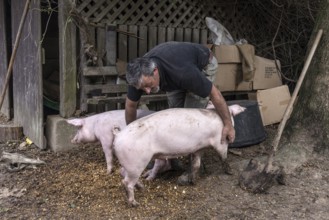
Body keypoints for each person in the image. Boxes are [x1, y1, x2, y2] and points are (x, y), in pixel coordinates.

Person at [124, 41, 235, 184]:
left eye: (148, 86)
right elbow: (131, 105)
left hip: (203, 64)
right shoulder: (139, 76)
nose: (147, 91)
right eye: (142, 88)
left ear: (155, 71)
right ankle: (169, 162)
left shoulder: (183, 72)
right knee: (174, 119)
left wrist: (228, 124)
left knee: (192, 121)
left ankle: (195, 168)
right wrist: (132, 134)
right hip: (174, 72)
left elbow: (215, 94)